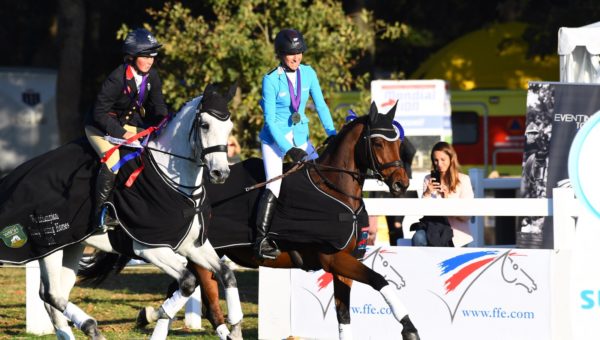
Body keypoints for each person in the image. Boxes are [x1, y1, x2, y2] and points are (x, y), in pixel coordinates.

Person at [255, 28, 337, 260]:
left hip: (300, 135)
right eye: (291, 54)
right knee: (275, 186)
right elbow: (269, 120)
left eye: (299, 52)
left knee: (318, 177)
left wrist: (332, 132)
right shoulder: (270, 80)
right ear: (281, 54)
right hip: (275, 140)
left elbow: (321, 106)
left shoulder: (309, 73)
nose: (296, 57)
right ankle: (261, 240)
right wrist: (287, 149)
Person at [85, 28, 168, 231]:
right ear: (132, 56)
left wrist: (165, 123)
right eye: (146, 56)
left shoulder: (152, 77)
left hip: (126, 124)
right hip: (99, 127)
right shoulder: (116, 78)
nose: (150, 61)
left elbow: (158, 106)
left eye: (153, 56)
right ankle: (100, 215)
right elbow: (99, 114)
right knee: (112, 161)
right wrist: (123, 134)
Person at [411, 141, 474, 247]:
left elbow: (467, 216)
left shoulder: (463, 180)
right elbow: (423, 211)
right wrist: (427, 193)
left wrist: (447, 200)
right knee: (418, 238)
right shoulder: (428, 179)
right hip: (433, 230)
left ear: (451, 159)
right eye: (436, 160)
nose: (439, 164)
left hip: (457, 234)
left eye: (442, 159)